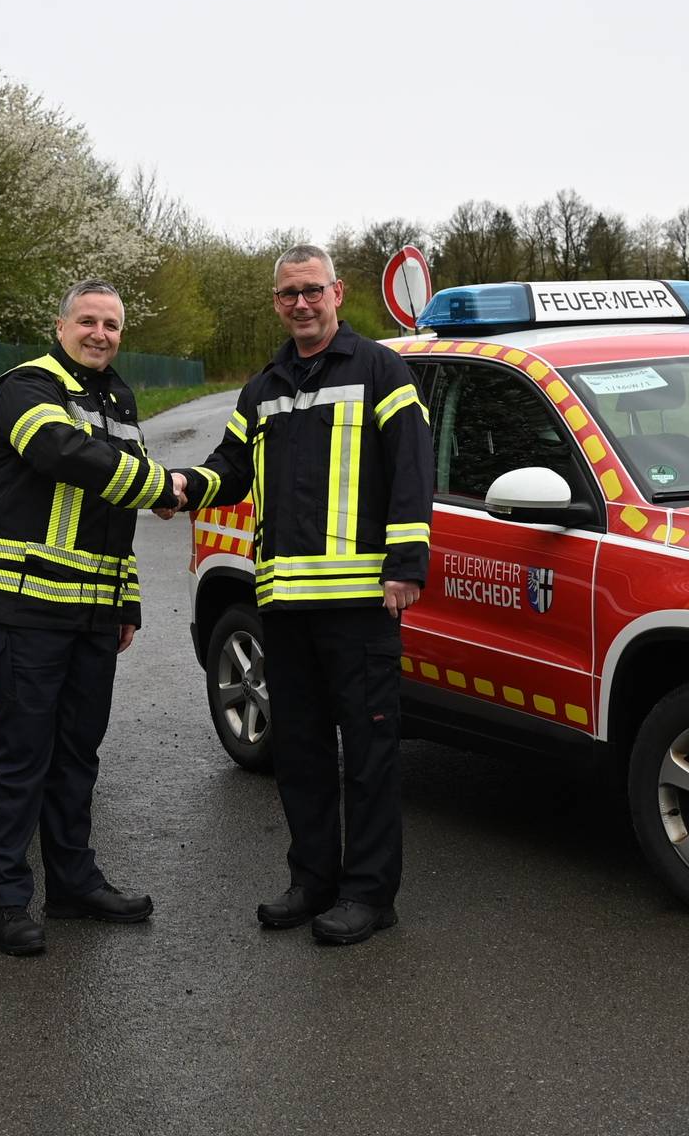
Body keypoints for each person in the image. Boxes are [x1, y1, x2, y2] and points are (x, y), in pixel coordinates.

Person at [173, 244, 431, 945]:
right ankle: (312, 881)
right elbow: (229, 466)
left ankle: (371, 895)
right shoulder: (263, 387)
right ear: (277, 302)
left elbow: (411, 469)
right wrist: (183, 488)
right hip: (284, 606)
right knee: (303, 752)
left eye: (311, 290)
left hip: (360, 606)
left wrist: (406, 565)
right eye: (288, 294)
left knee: (371, 756)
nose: (300, 304)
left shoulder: (381, 370)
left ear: (337, 293)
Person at [0, 279, 183, 956]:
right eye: (87, 321)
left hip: (90, 615)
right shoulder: (24, 386)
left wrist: (127, 602)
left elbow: (114, 515)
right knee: (19, 758)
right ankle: (3, 902)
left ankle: (73, 884)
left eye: (112, 324)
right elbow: (59, 453)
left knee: (77, 757)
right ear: (59, 328)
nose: (100, 333)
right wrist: (158, 486)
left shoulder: (115, 395)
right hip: (24, 609)